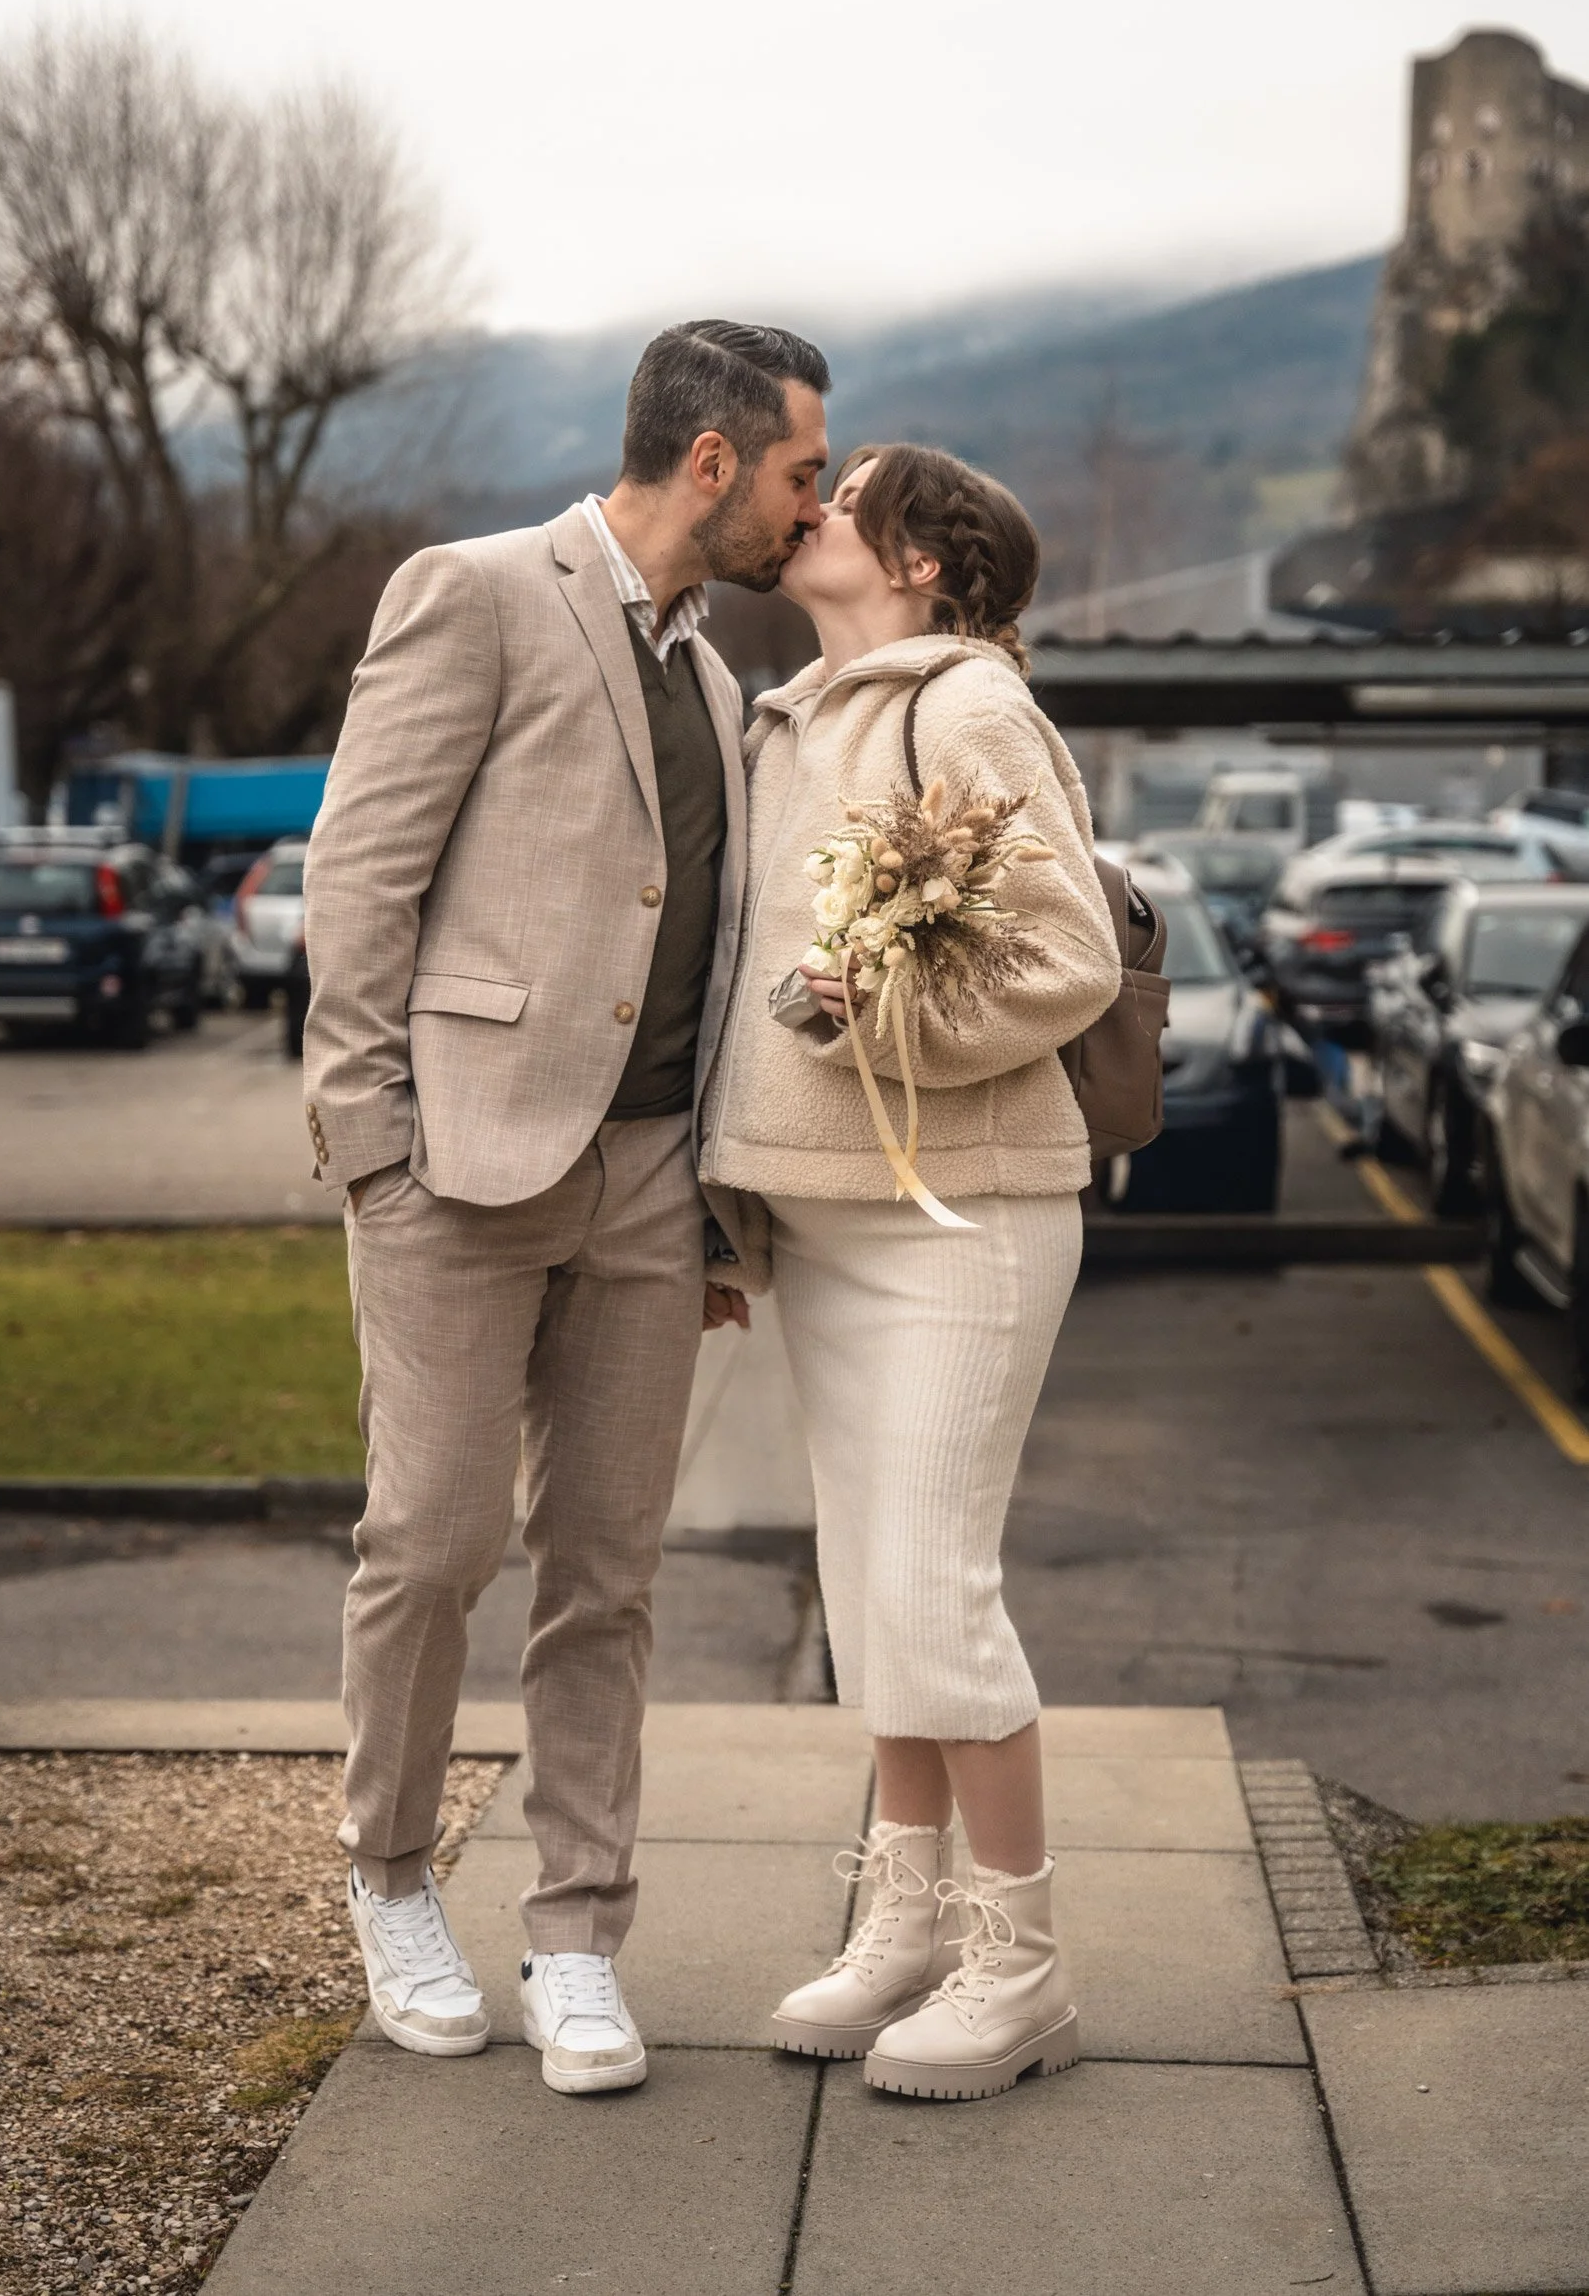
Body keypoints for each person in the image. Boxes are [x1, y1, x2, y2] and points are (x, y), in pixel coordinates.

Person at [302, 320, 830, 2095]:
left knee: (606, 1578)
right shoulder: (470, 594)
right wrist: (370, 1144)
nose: (808, 506)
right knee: (434, 1543)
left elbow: (704, 946)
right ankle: (390, 1882)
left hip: (650, 1188)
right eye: (798, 473)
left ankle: (578, 1936)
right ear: (709, 460)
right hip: (454, 1168)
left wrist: (719, 1218)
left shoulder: (716, 681)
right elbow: (358, 880)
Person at [699, 444, 1121, 2100]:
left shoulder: (965, 703)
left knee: (935, 1593)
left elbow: (1068, 957)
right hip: (825, 1214)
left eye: (850, 485)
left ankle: (1020, 1970)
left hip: (964, 1214)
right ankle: (905, 1929)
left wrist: (878, 1014)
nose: (813, 499)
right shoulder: (790, 718)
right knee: (872, 1587)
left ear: (922, 562)